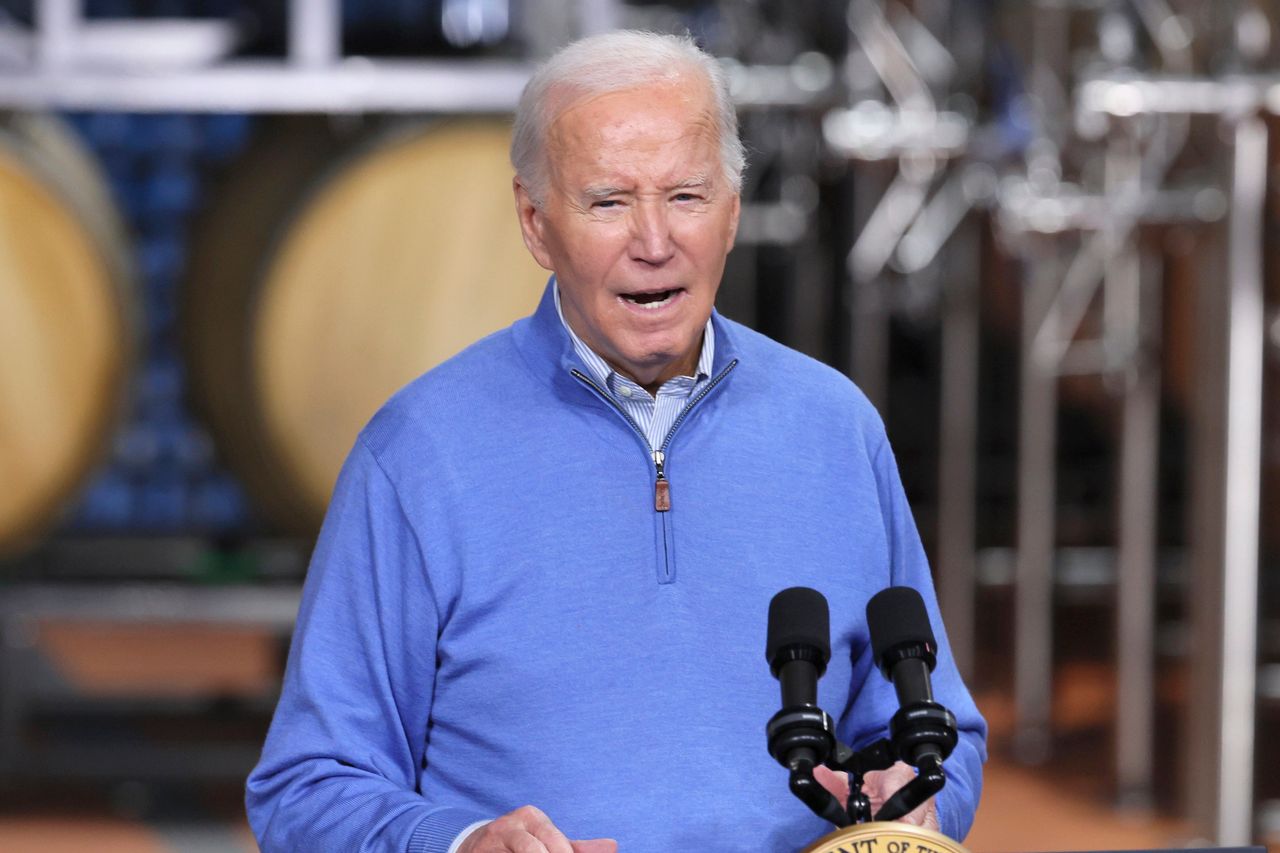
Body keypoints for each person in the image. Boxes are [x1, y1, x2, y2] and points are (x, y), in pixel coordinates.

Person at [245, 29, 986, 853]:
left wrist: (917, 800)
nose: (654, 241)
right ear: (535, 223)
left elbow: (942, 733)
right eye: (609, 202)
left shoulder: (835, 428)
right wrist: (461, 842)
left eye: (687, 196)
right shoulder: (417, 453)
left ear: (733, 211)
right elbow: (307, 786)